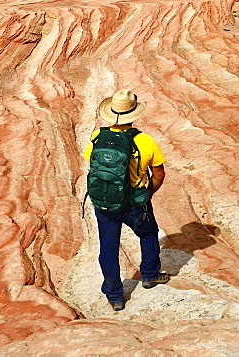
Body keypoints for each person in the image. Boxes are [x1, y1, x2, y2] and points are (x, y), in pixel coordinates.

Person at [84, 88, 169, 311]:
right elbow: (159, 174)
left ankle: (115, 297)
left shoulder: (97, 137)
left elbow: (92, 165)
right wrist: (147, 194)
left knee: (108, 248)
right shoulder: (145, 141)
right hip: (135, 203)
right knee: (149, 234)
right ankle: (150, 275)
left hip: (106, 202)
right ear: (134, 114)